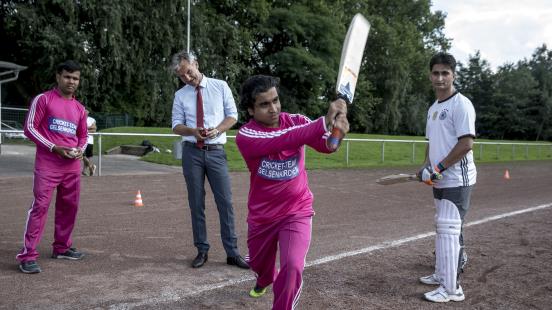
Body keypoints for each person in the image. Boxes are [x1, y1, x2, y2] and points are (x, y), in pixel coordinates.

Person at [236, 75, 349, 309]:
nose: (274, 109)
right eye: (264, 104)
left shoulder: (297, 121)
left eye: (276, 100)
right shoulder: (247, 136)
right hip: (262, 217)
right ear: (250, 110)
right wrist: (324, 120)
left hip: (296, 211)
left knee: (292, 268)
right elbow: (283, 139)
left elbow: (328, 146)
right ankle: (264, 278)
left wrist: (337, 132)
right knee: (258, 265)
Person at [170, 50, 248, 269]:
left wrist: (218, 130)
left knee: (225, 202)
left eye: (188, 72)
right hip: (191, 152)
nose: (187, 78)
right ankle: (202, 250)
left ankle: (232, 253)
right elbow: (176, 125)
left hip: (216, 152)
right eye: (182, 76)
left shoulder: (220, 86)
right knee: (196, 203)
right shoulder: (181, 95)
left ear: (196, 63)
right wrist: (193, 131)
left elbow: (233, 115)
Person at [17, 60, 88, 274]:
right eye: (67, 77)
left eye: (75, 78)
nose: (71, 82)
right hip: (48, 165)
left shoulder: (80, 109)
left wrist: (81, 149)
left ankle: (62, 247)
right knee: (40, 207)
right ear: (58, 77)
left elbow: (83, 136)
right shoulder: (44, 99)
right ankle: (28, 255)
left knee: (69, 207)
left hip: (72, 167)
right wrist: (53, 147)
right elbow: (29, 128)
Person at [417, 52, 477, 303]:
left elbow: (466, 144)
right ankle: (442, 273)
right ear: (430, 75)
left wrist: (439, 167)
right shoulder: (433, 108)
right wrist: (425, 166)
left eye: (445, 73)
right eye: (436, 73)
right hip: (440, 178)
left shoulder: (460, 104)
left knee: (451, 229)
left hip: (457, 179)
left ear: (453, 75)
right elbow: (432, 143)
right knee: (442, 227)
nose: (440, 78)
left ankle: (452, 289)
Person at [82, 110, 97, 176]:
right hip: (82, 140)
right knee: (81, 155)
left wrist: (85, 129)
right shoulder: (79, 118)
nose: (86, 112)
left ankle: (84, 171)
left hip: (90, 141)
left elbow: (94, 129)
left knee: (88, 156)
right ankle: (91, 167)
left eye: (86, 112)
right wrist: (88, 128)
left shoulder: (92, 119)